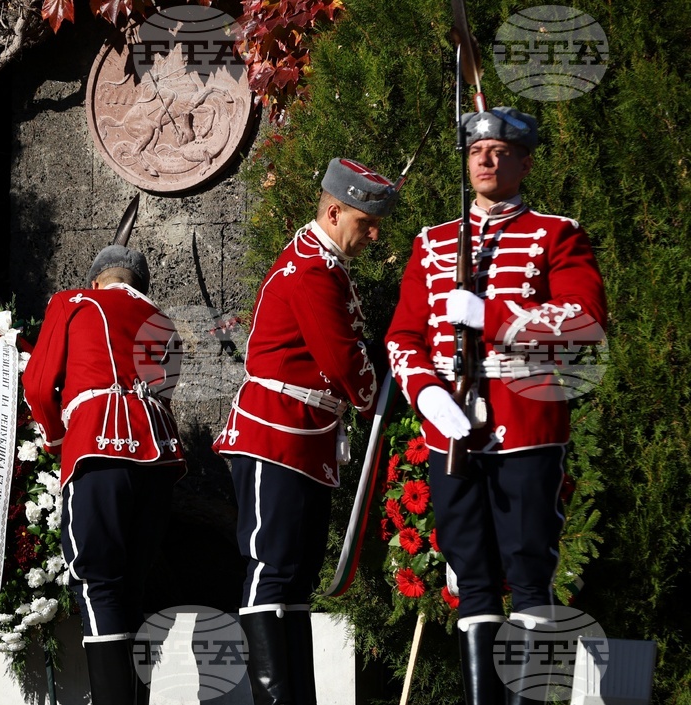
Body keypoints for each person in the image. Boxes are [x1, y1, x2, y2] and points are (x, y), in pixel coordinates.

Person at [385, 107, 607, 705]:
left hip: (528, 425)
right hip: (451, 432)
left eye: (500, 151)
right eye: (477, 151)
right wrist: (428, 394)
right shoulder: (431, 243)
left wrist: (495, 317)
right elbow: (403, 336)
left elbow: (584, 322)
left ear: (525, 162)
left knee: (530, 572)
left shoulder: (556, 232)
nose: (485, 159)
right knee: (471, 580)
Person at [213, 158, 397, 705]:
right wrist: (377, 395)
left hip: (306, 438)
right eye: (366, 222)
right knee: (270, 571)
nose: (373, 234)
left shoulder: (326, 266)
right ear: (334, 211)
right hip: (277, 435)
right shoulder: (310, 270)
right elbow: (342, 356)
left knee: (294, 581)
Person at [22, 244, 185, 705]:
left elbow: (36, 383)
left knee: (97, 584)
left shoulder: (74, 302)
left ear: (96, 281)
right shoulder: (164, 322)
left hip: (98, 448)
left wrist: (56, 442)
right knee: (132, 586)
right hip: (156, 462)